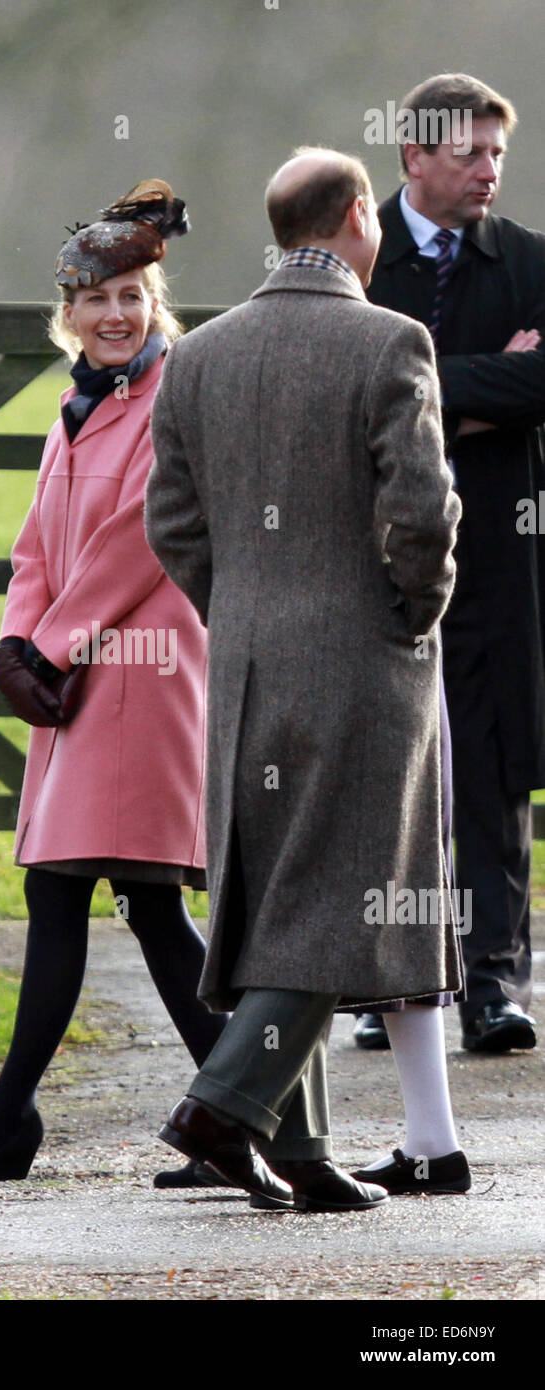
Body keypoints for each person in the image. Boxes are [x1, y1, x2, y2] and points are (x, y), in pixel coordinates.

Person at [145, 148, 463, 1212]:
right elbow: (418, 516)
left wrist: (237, 613)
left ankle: (305, 1148)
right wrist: (407, 619)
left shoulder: (197, 355)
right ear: (354, 220)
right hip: (361, 662)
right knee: (337, 900)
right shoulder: (390, 340)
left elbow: (172, 526)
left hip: (240, 662)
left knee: (279, 891)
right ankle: (222, 1106)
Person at [0, 180, 225, 1189]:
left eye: (133, 295)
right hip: (71, 676)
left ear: (154, 304)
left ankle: (11, 1123)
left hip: (137, 674)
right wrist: (15, 639)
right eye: (98, 299)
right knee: (141, 905)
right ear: (68, 312)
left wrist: (50, 647)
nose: (117, 314)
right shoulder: (74, 407)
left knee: (78, 891)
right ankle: (249, 1118)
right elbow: (38, 546)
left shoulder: (171, 395)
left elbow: (144, 539)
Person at [358, 72, 543, 1056]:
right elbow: (340, 386)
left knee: (492, 765)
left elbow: (542, 379)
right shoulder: (358, 258)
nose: (488, 171)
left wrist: (413, 387)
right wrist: (476, 389)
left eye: (498, 153)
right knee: (381, 767)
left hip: (498, 554)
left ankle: (492, 982)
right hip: (375, 553)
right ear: (412, 155)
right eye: (468, 152)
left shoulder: (527, 262)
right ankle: (388, 984)